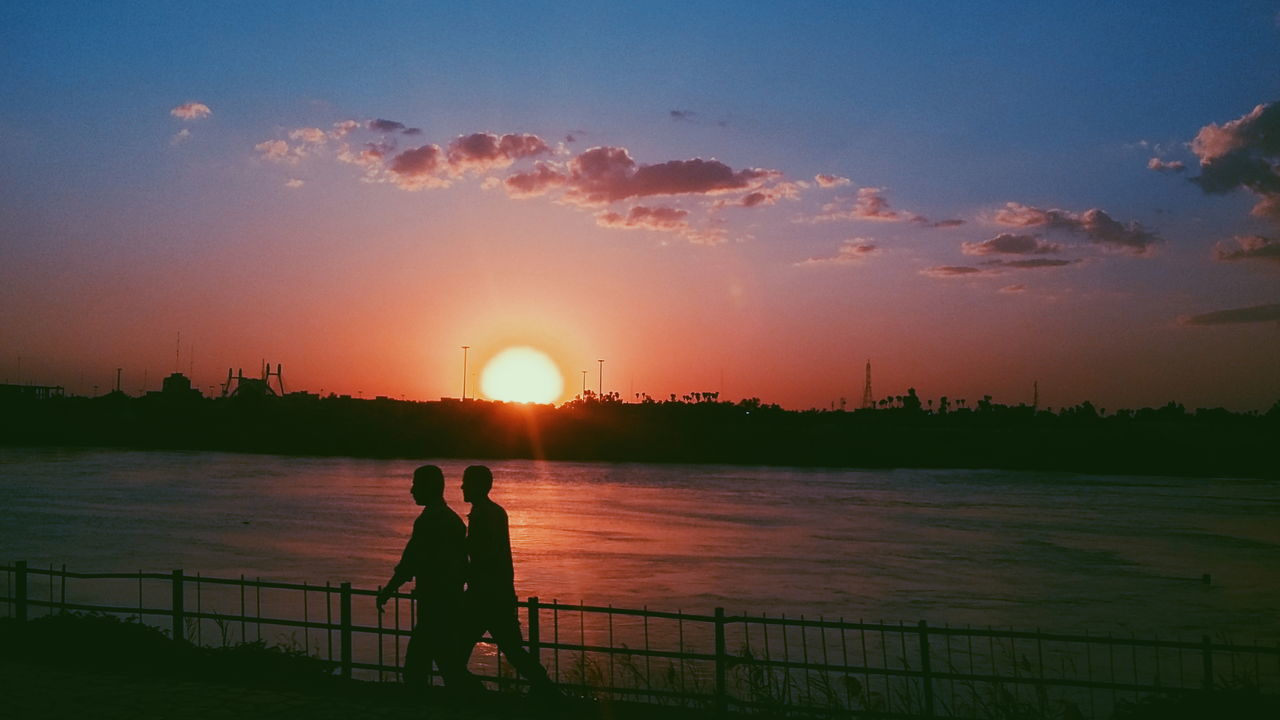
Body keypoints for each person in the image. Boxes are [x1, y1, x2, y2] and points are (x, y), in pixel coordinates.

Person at [376, 464, 477, 691]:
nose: (412, 490)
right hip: (450, 602)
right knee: (447, 664)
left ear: (427, 487)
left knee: (418, 666)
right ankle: (471, 700)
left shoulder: (429, 521)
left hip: (434, 604)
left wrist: (388, 591)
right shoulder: (453, 520)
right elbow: (462, 565)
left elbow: (410, 562)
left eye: (415, 485)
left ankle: (469, 701)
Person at [460, 464, 558, 697]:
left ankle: (473, 693)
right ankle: (545, 689)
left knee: (457, 648)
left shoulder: (484, 514)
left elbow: (485, 553)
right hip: (496, 593)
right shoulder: (492, 512)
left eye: (466, 482)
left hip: (485, 595)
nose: (462, 486)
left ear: (478, 486)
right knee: (512, 649)